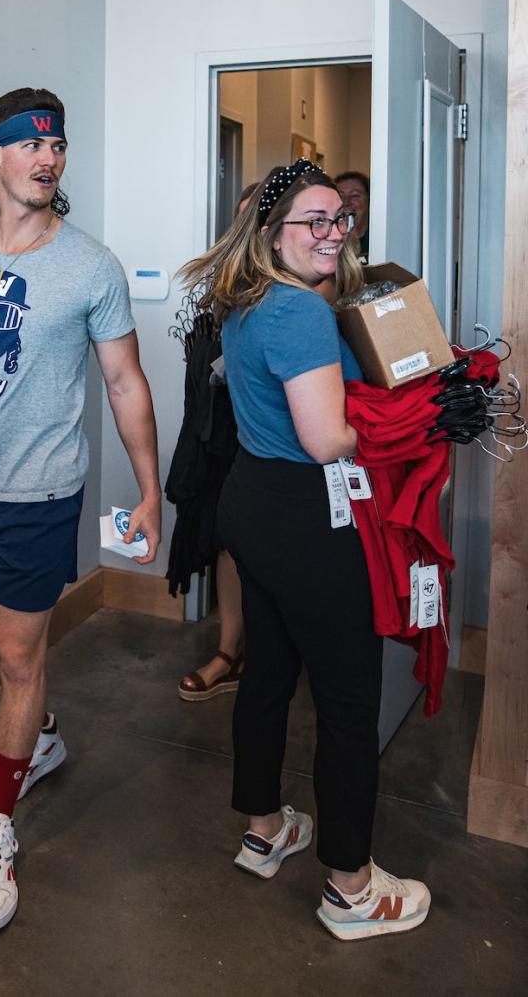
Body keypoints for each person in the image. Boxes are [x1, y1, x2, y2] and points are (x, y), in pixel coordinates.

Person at [0, 87, 161, 933]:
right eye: (30, 144)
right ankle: (40, 733)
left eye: (57, 145)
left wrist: (149, 485)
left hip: (42, 493)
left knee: (16, 655)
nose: (48, 157)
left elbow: (125, 381)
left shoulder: (90, 265)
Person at [179, 159, 431, 941]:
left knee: (270, 674)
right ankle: (351, 886)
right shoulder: (303, 314)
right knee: (350, 701)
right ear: (271, 233)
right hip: (303, 515)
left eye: (339, 220)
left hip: (253, 504)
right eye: (311, 222)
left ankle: (264, 830)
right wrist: (402, 424)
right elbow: (328, 439)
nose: (330, 233)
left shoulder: (250, 301)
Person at [176, 182, 257, 701]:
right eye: (249, 219)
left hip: (295, 446)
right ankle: (230, 651)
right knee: (229, 543)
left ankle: (280, 655)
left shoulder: (318, 290)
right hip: (228, 437)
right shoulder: (222, 290)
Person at [334, 170, 370, 261]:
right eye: (340, 195)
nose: (345, 202)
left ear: (369, 200)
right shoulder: (328, 241)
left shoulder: (379, 238)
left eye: (354, 195)